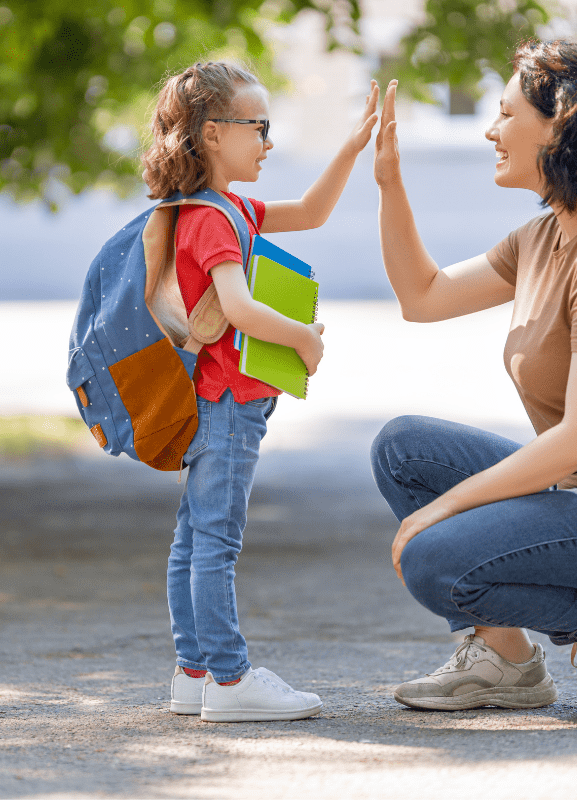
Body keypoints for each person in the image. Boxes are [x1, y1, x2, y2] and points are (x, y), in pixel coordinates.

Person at [369, 40, 577, 719]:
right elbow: (424, 296)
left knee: (436, 560)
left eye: (505, 113)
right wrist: (389, 182)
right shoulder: (543, 237)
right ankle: (507, 662)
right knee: (403, 447)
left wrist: (442, 509)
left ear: (560, 124)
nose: (490, 130)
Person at [141, 62, 379, 722]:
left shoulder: (218, 209)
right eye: (260, 128)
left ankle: (195, 673)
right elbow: (239, 308)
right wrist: (304, 339)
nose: (268, 143)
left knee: (192, 539)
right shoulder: (215, 220)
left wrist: (353, 146)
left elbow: (310, 212)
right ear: (214, 134)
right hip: (226, 403)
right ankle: (230, 678)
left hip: (208, 401)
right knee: (215, 543)